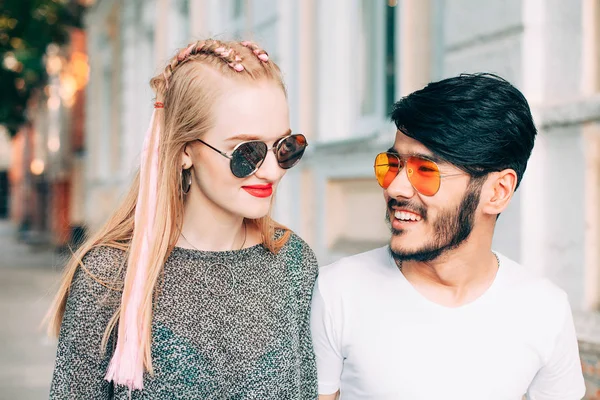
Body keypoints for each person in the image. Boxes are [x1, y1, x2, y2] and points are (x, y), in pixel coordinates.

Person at [46, 39, 318, 399]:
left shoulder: (294, 262)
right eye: (247, 152)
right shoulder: (111, 274)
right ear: (185, 150)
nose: (271, 171)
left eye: (285, 148)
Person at [311, 73, 586, 400]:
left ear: (497, 192)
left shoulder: (545, 310)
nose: (395, 188)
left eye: (425, 171)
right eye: (393, 164)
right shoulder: (338, 292)